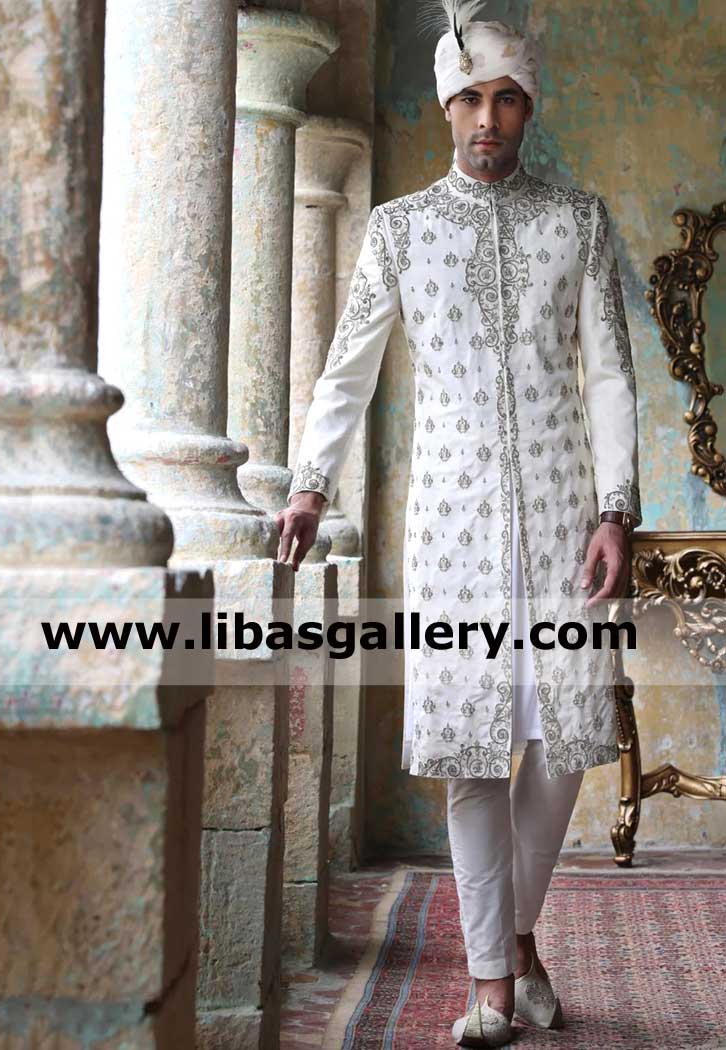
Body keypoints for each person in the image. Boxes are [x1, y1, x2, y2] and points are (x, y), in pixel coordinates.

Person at [277, 2, 640, 1045]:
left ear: (530, 109)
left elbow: (609, 378)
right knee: (474, 756)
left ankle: (515, 937)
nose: (489, 118)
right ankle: (492, 981)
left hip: (567, 521)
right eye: (472, 98)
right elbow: (347, 371)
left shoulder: (577, 221)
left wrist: (617, 507)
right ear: (447, 106)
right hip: (454, 527)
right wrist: (310, 484)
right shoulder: (399, 231)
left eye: (508, 99)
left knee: (564, 747)